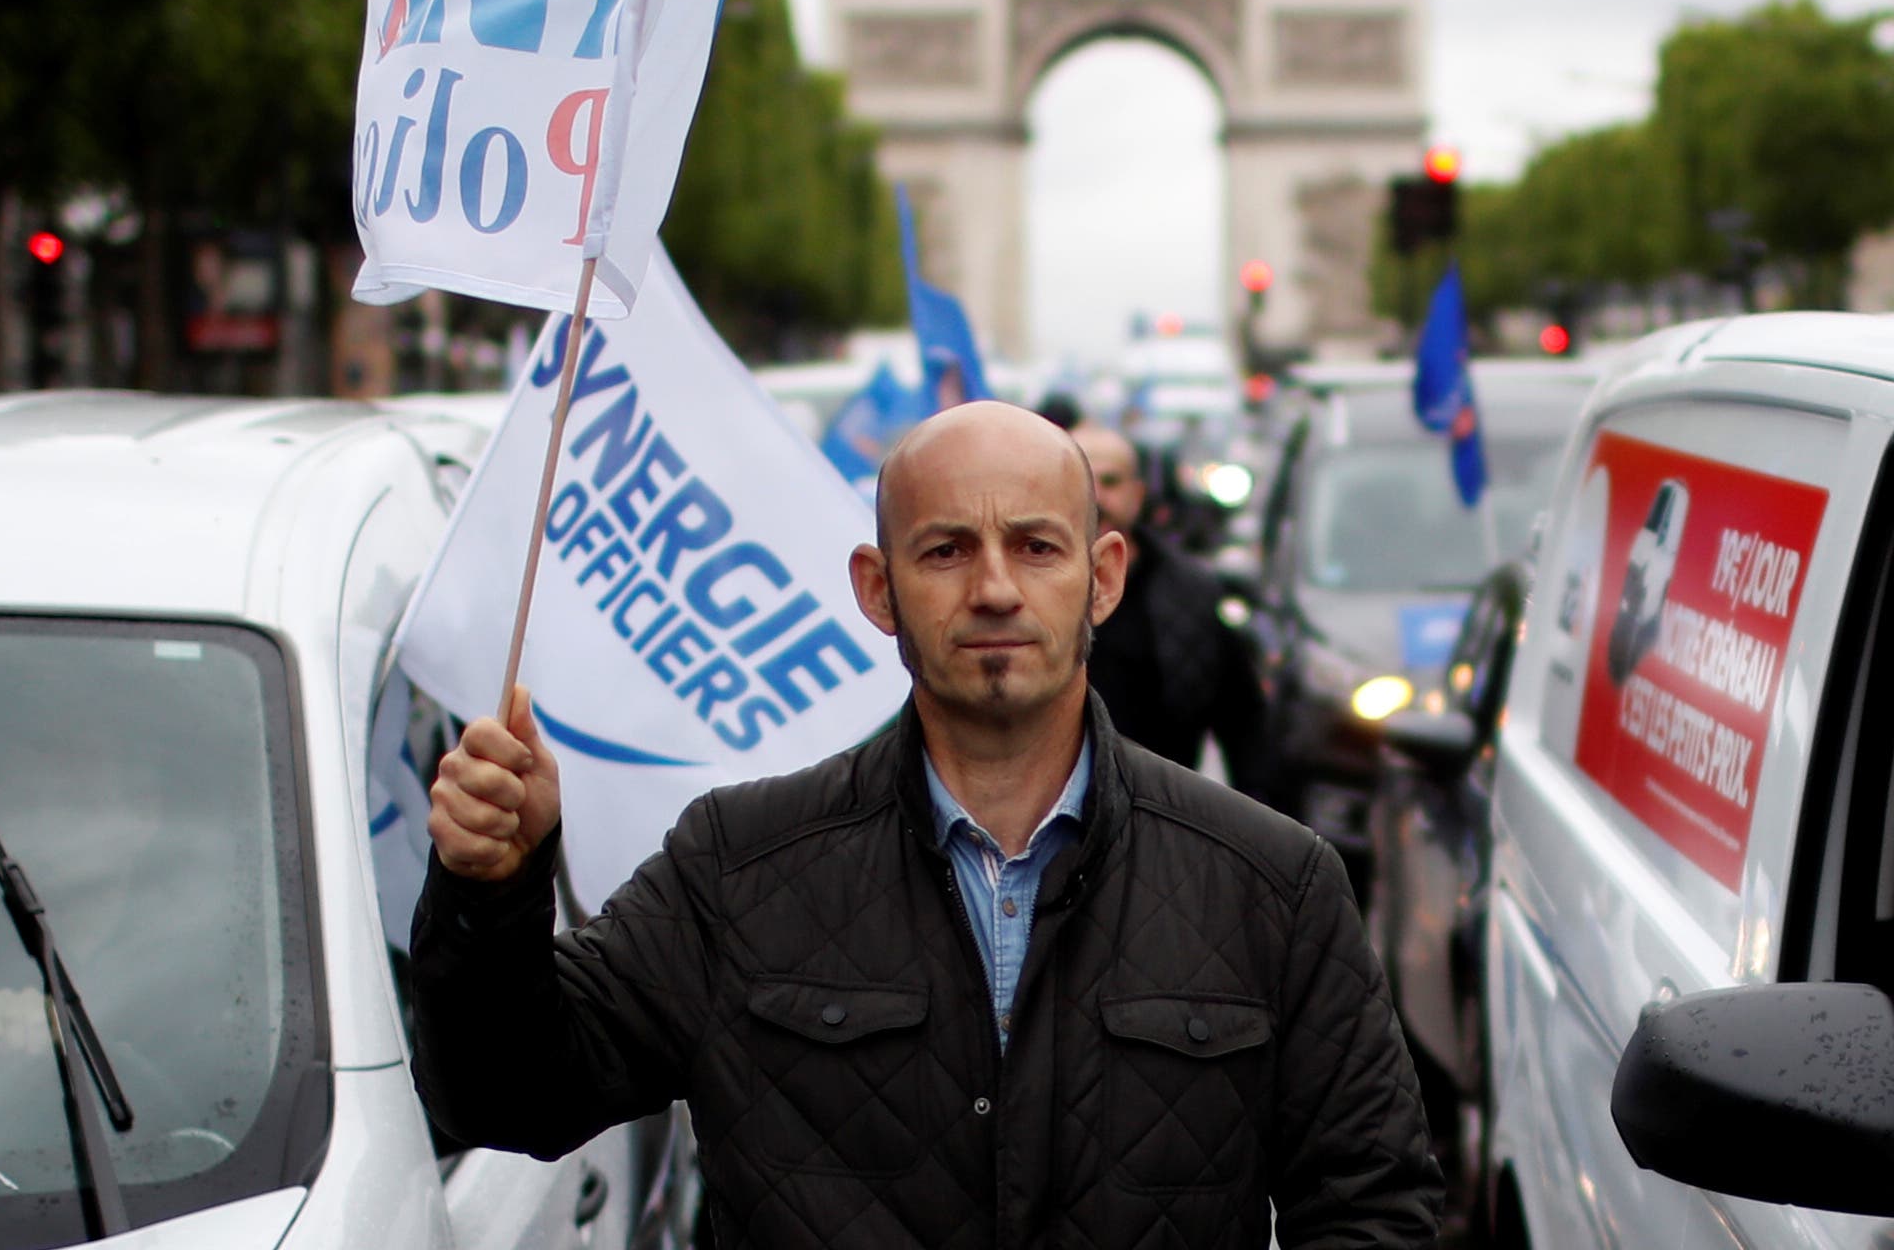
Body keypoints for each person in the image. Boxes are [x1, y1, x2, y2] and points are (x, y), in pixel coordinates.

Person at [412, 401, 1441, 1247]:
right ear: (877, 588)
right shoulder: (733, 866)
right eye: (946, 549)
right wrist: (492, 887)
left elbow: (1370, 1206)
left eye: (1034, 546)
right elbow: (503, 1094)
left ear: (1104, 575)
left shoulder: (1273, 884)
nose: (993, 587)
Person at [1070, 421, 1267, 780]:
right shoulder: (1021, 590)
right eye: (1082, 483)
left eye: (1111, 482)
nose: (1097, 497)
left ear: (1138, 493)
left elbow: (1243, 723)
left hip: (1162, 810)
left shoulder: (1193, 592)